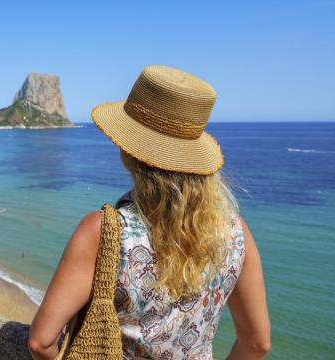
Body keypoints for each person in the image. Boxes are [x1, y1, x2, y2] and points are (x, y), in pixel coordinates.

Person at [28, 66, 270, 359]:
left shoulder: (104, 231)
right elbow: (257, 343)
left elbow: (41, 342)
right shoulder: (235, 232)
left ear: (129, 150)